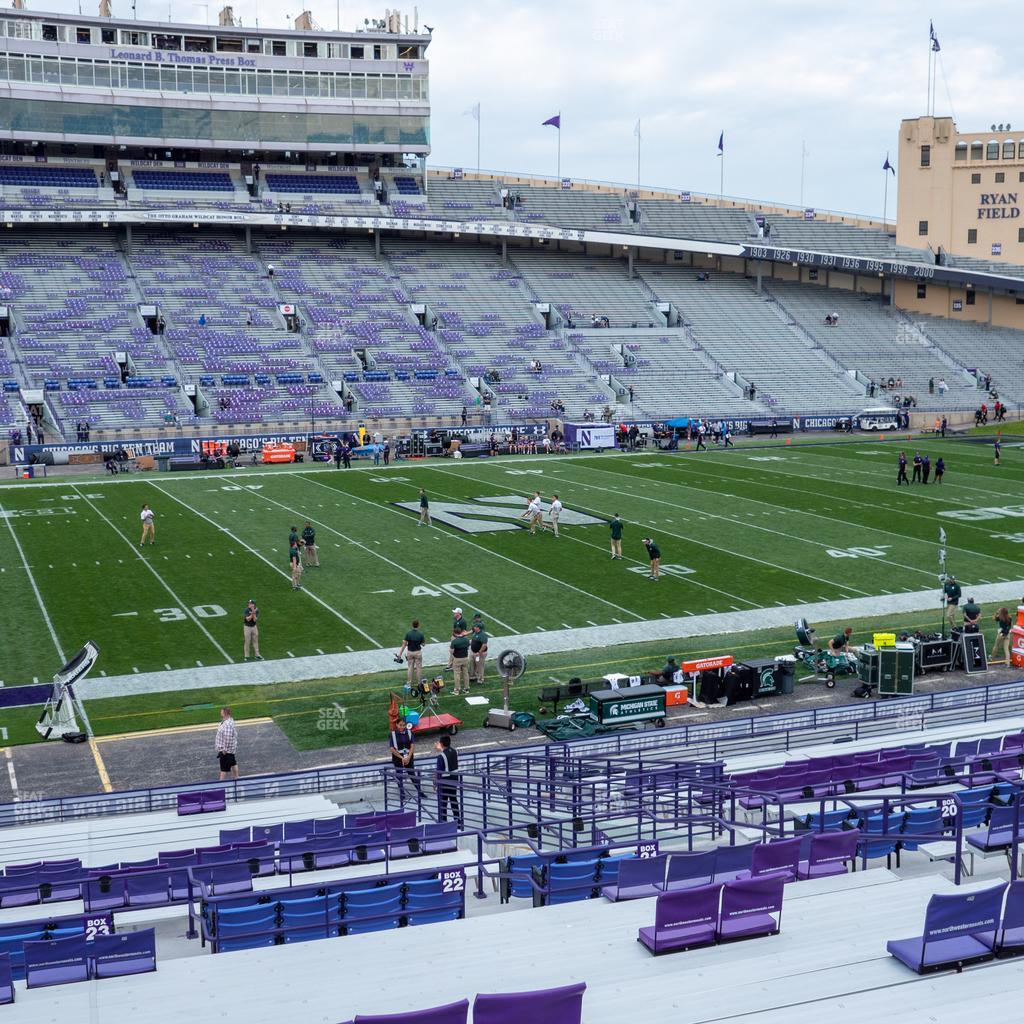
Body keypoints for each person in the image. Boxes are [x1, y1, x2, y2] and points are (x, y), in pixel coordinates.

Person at [389, 716, 423, 805]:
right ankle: (402, 794)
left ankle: (420, 791)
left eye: (404, 725)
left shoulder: (410, 732)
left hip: (408, 758)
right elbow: (392, 749)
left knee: (413, 775)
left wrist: (408, 757)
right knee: (399, 776)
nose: (402, 727)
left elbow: (412, 746)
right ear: (396, 724)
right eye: (400, 725)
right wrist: (402, 758)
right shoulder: (392, 734)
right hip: (398, 758)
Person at [435, 735, 461, 825]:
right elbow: (448, 753)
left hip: (444, 781)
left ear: (441, 744)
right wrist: (441, 749)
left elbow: (439, 772)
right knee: (454, 800)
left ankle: (444, 822)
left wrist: (435, 784)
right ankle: (458, 821)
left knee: (443, 803)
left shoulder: (440, 757)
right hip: (454, 779)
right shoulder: (455, 751)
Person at [396, 619, 425, 688]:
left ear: (412, 625)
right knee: (418, 668)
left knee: (410, 668)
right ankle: (419, 683)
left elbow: (404, 644)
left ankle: (409, 683)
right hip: (418, 653)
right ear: (418, 625)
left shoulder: (408, 634)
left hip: (410, 652)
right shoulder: (420, 634)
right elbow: (423, 644)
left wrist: (400, 654)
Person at [215, 707, 239, 781]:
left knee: (223, 769)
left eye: (221, 712)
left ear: (225, 713)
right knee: (233, 763)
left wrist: (224, 750)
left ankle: (221, 784)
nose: (220, 713)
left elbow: (227, 738)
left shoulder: (227, 724)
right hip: (230, 750)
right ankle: (236, 778)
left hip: (226, 751)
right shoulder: (227, 721)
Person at [450, 627, 472, 696]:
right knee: (466, 673)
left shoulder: (454, 641)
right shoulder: (466, 639)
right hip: (465, 658)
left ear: (455, 633)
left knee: (457, 674)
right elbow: (468, 647)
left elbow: (451, 651)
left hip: (457, 659)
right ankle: (466, 688)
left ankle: (457, 690)